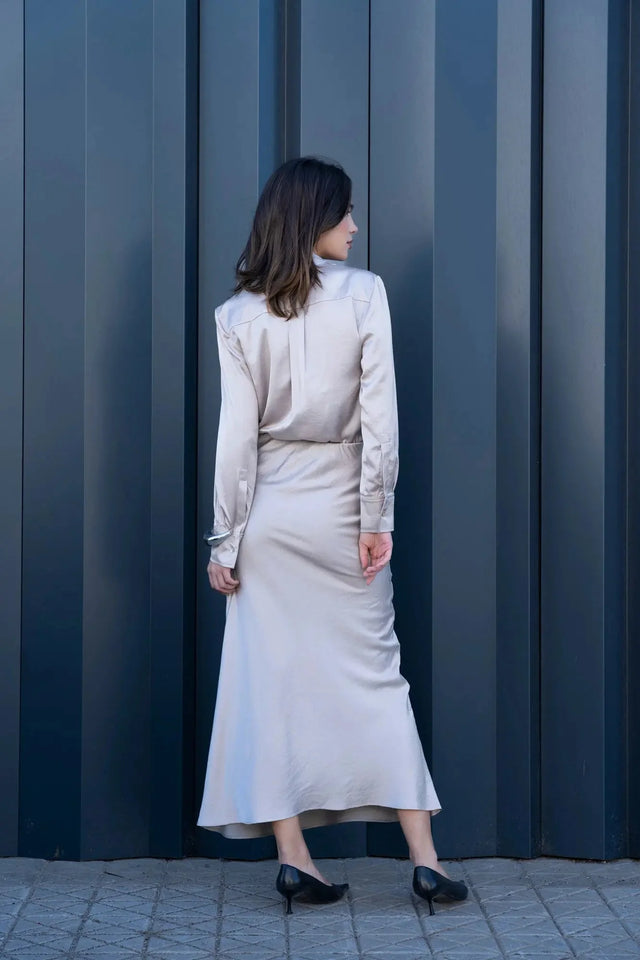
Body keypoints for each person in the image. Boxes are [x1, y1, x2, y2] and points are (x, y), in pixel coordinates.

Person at [197, 156, 467, 916]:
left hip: (270, 519)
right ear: (314, 217)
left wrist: (226, 541)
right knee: (377, 679)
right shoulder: (365, 294)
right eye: (345, 212)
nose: (354, 225)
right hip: (343, 507)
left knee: (269, 686)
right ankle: (425, 860)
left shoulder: (236, 314)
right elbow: (380, 418)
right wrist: (376, 516)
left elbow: (234, 444)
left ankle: (295, 859)